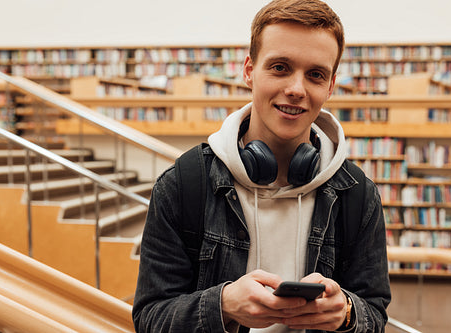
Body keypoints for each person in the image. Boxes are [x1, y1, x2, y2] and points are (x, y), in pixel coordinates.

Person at [132, 0, 391, 332]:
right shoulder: (183, 185)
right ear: (249, 71)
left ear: (330, 86)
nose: (296, 89)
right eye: (280, 67)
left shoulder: (357, 195)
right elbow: (150, 318)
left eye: (315, 74)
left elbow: (375, 316)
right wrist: (223, 305)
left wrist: (348, 314)